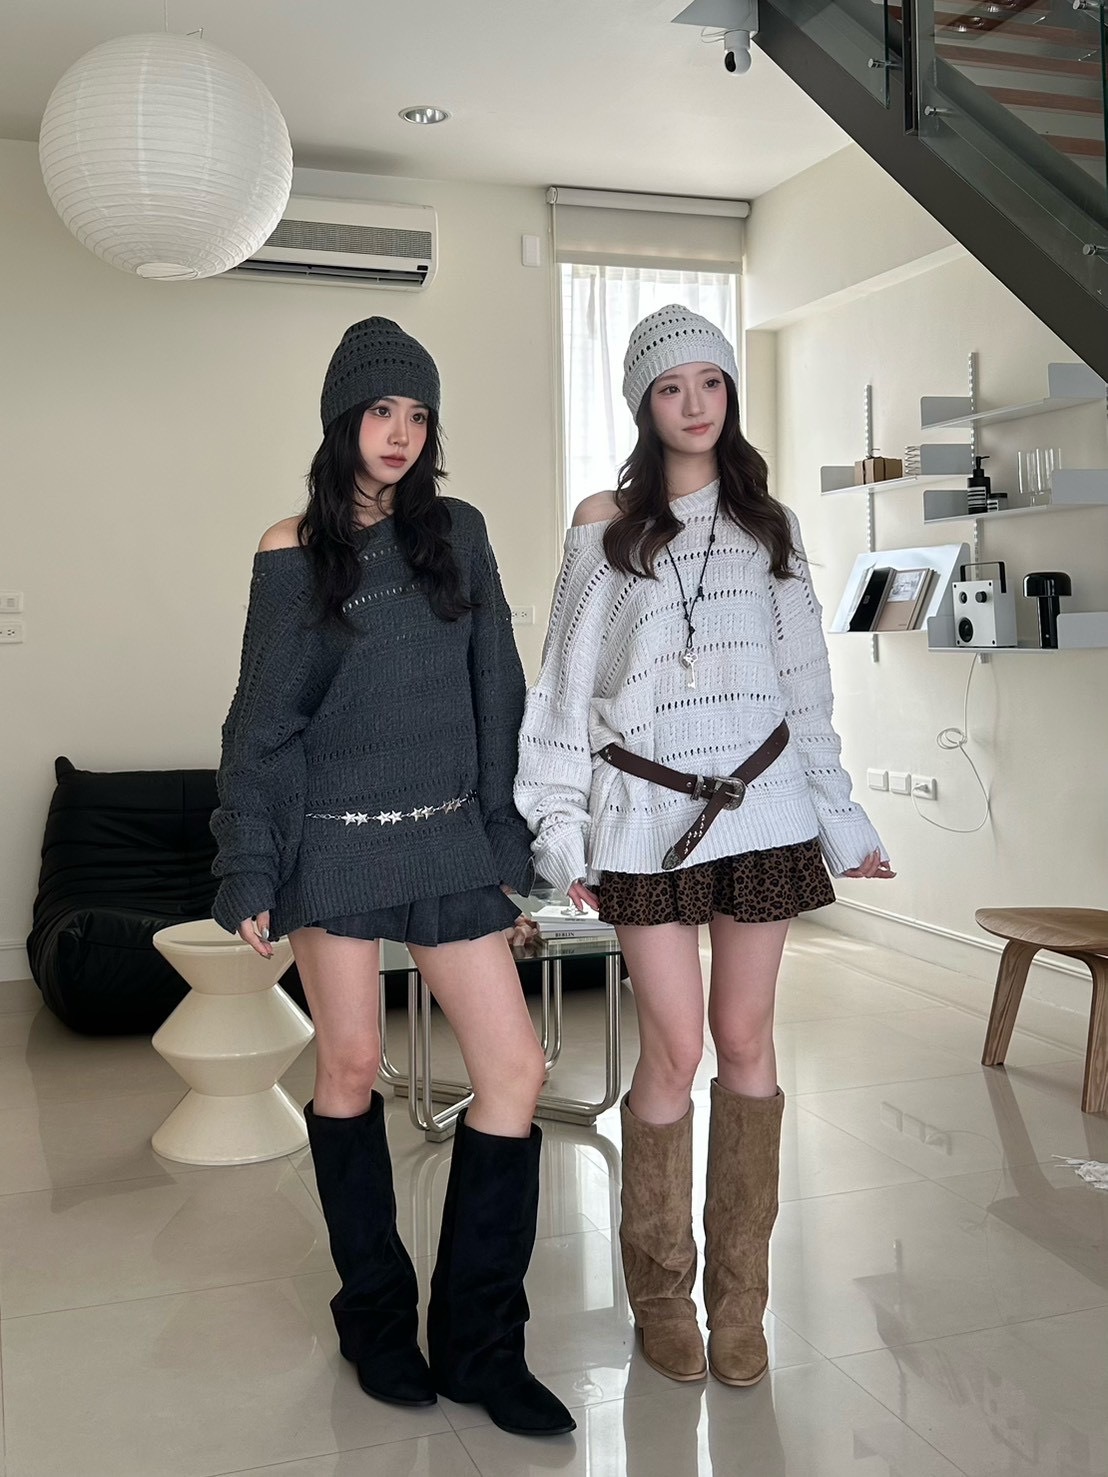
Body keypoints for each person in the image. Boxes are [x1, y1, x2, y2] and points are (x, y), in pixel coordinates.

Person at [515, 304, 894, 1390]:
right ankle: (659, 1292)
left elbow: (806, 691)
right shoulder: (604, 525)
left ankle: (740, 1301)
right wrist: (560, 825)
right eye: (671, 386)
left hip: (762, 813)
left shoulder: (770, 527)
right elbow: (563, 689)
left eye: (710, 382)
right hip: (643, 819)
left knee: (747, 1040)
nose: (694, 404)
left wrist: (842, 818)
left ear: (729, 393)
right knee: (673, 1051)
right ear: (644, 402)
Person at [210, 317, 574, 1438]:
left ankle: (480, 1342)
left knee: (514, 1068)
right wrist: (250, 859)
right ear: (342, 420)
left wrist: (507, 843)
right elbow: (262, 721)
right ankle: (374, 1319)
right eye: (381, 411)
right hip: (334, 841)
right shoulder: (292, 549)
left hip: (449, 838)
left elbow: (498, 692)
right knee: (354, 1061)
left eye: (418, 414)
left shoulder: (457, 534)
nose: (401, 433)